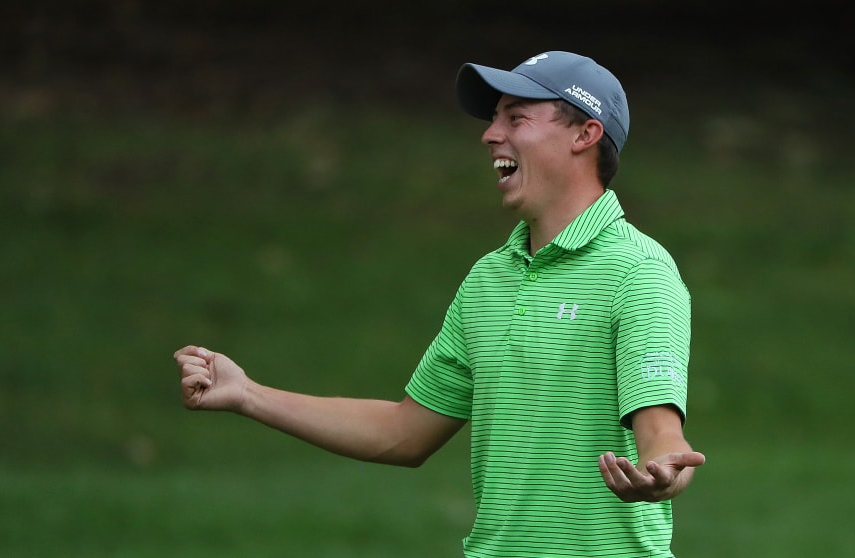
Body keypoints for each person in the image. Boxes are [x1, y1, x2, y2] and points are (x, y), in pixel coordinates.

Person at [175, 50, 705, 557]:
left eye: (516, 118)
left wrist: (663, 473)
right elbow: (405, 433)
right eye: (494, 119)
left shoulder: (638, 272)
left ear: (585, 134)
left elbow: (661, 431)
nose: (490, 134)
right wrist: (247, 394)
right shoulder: (488, 280)